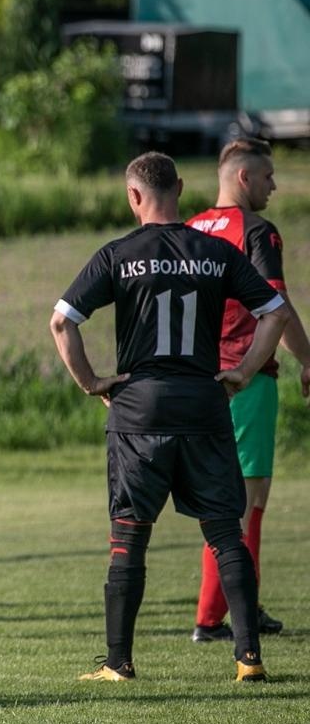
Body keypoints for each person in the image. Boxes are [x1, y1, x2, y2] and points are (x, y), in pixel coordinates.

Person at [50, 151, 289, 683]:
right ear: (179, 188)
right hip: (204, 404)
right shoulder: (215, 251)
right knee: (226, 533)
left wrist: (93, 383)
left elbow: (62, 322)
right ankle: (248, 658)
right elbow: (274, 312)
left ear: (134, 196)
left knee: (130, 536)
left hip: (139, 411)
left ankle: (119, 662)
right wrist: (245, 371)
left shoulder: (117, 255)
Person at [185, 137, 310, 643]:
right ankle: (218, 616)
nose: (274, 185)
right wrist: (307, 357)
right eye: (267, 176)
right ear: (243, 177)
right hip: (245, 377)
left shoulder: (188, 228)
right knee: (246, 499)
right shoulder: (257, 232)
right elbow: (274, 310)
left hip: (191, 381)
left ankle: (239, 606)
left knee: (225, 496)